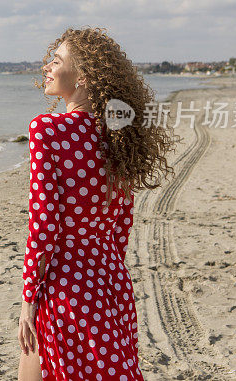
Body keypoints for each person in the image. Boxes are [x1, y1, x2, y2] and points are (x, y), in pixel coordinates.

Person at [17, 27, 179, 380]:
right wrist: (104, 268)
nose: (46, 66)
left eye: (56, 61)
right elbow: (122, 221)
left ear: (83, 76)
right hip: (110, 279)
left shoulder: (47, 130)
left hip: (65, 283)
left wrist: (29, 297)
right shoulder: (118, 136)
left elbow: (44, 224)